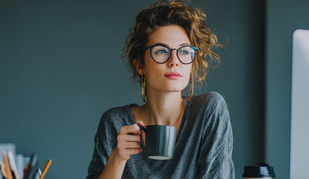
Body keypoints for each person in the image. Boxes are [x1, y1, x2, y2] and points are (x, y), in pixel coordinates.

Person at [86, 1, 234, 178]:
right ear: (140, 65)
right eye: (161, 51)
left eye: (184, 51)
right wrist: (118, 158)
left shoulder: (209, 110)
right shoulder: (115, 122)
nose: (174, 61)